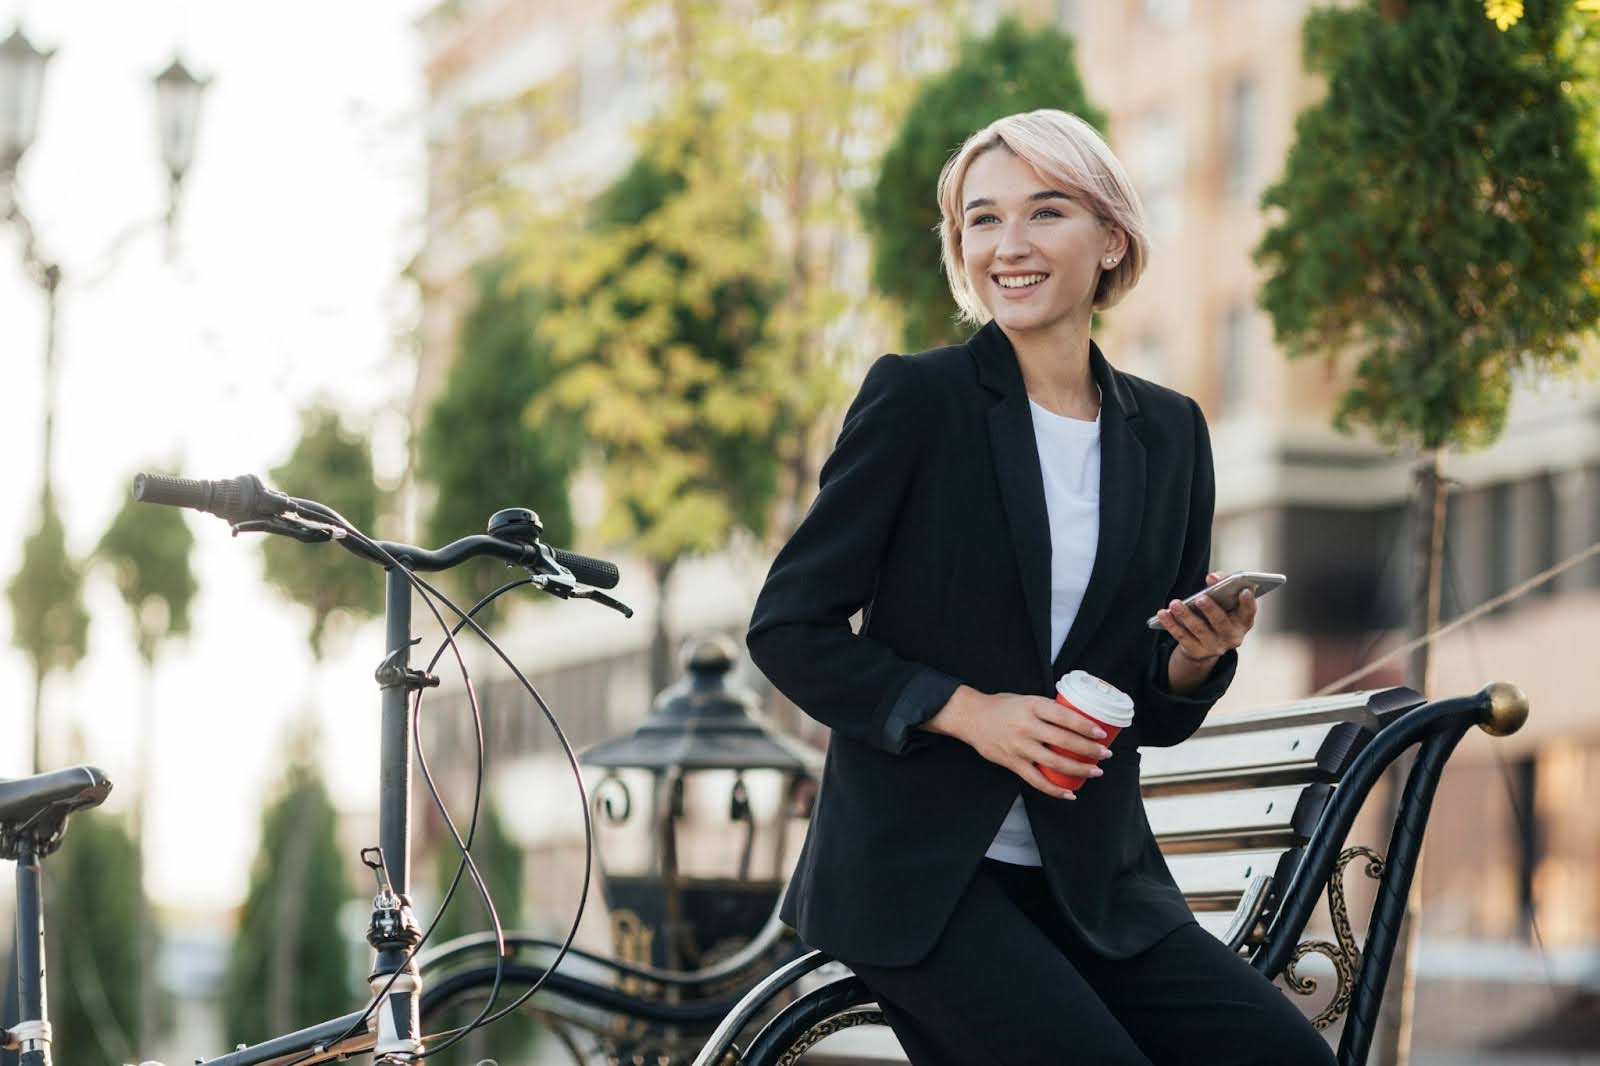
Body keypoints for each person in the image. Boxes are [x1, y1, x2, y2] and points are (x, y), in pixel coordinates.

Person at [745, 110, 1336, 1066]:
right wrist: (967, 712)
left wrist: (1191, 661)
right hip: (920, 882)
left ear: (1110, 238)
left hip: (1096, 884)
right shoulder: (918, 400)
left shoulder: (1173, 432)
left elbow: (1151, 708)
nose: (1008, 246)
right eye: (982, 220)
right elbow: (789, 626)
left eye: (1044, 212)